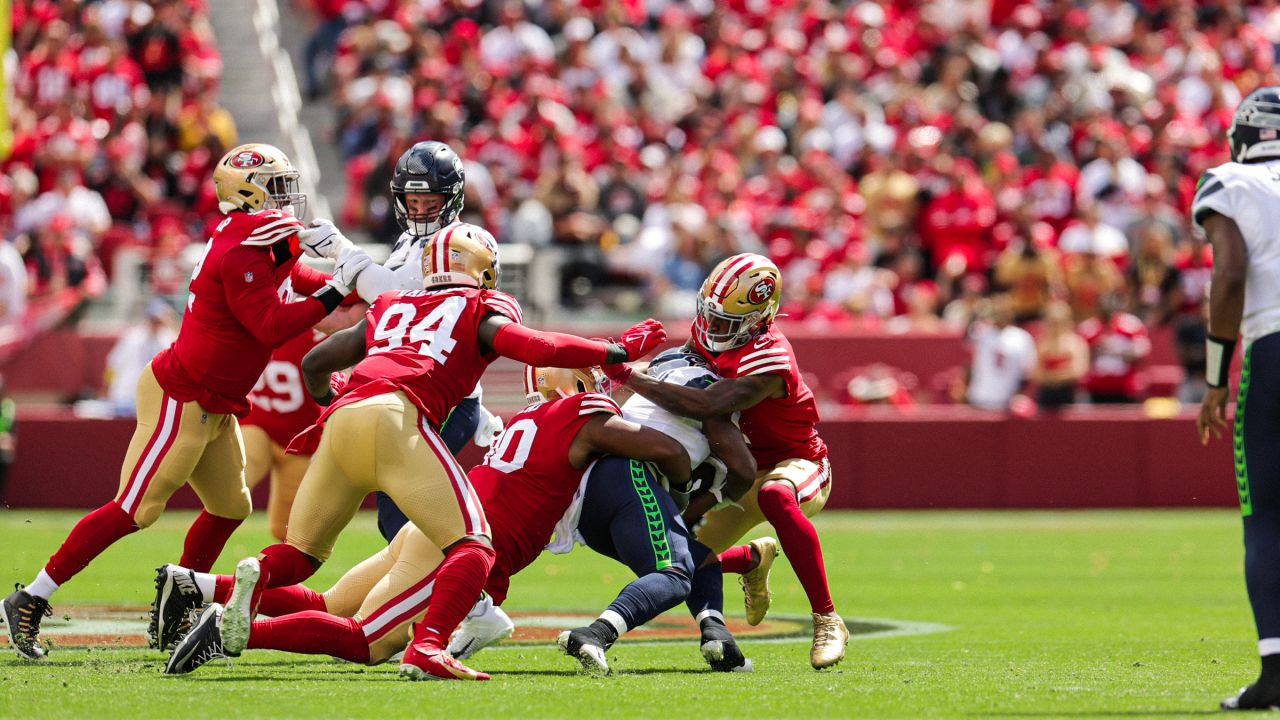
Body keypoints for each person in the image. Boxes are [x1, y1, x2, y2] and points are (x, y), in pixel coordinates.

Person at [152, 224, 669, 681]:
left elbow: (315, 361)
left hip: (343, 416)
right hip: (398, 416)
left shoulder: (392, 305)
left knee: (303, 554)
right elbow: (542, 349)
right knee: (471, 548)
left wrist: (336, 400)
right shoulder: (482, 309)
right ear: (485, 271)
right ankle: (427, 646)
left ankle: (219, 586)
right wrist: (618, 349)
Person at [3, 143, 365, 661]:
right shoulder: (242, 246)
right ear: (248, 191)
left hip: (216, 403)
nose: (288, 201)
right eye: (277, 188)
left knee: (231, 506)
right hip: (183, 394)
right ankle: (29, 597)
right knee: (136, 509)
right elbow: (271, 324)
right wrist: (336, 291)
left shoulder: (260, 239)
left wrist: (348, 279)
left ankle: (180, 597)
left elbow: (297, 280)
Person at [161, 366, 687, 677]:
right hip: (457, 546)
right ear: (582, 385)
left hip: (432, 527)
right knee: (366, 640)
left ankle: (202, 588)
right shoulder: (584, 416)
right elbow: (665, 448)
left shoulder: (528, 417)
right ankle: (238, 632)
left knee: (331, 603)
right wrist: (683, 484)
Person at [604, 253, 849, 670]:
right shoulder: (706, 335)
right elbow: (681, 378)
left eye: (725, 323)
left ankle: (827, 618)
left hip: (797, 463)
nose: (712, 329)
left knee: (775, 495)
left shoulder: (771, 357)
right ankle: (752, 559)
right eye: (709, 316)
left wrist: (627, 374)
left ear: (758, 318)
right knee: (679, 562)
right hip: (738, 474)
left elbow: (705, 403)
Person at [300, 140, 502, 542]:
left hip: (443, 395)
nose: (421, 210)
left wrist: (343, 249)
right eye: (413, 200)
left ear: (454, 196)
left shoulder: (464, 238)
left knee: (402, 517)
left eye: (431, 201)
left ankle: (463, 595)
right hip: (409, 391)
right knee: (399, 515)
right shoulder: (407, 242)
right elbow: (384, 315)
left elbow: (399, 296)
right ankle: (455, 593)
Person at [1192, 87, 1280, 712]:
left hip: (1274, 352)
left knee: (1269, 517)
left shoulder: (1229, 180)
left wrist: (1217, 378)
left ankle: (1277, 669)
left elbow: (1229, 272)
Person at [964, 295, 1037, 411]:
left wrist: (1017, 395)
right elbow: (966, 337)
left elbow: (1028, 372)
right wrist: (980, 310)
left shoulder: (1021, 337)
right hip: (979, 399)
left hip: (1007, 403)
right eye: (997, 309)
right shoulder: (982, 332)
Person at [1078, 293, 1151, 404]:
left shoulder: (1131, 325)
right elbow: (1080, 358)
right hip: (1096, 388)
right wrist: (1095, 349)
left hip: (1125, 387)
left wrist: (1117, 351)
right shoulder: (1088, 328)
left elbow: (1141, 352)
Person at [1033, 302, 1089, 410]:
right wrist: (1060, 375)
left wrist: (1052, 376)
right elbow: (1036, 374)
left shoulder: (1076, 343)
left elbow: (1079, 371)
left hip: (1070, 393)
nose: (1055, 326)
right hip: (1046, 395)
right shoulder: (1042, 344)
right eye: (1052, 322)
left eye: (1059, 322)